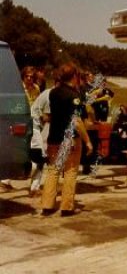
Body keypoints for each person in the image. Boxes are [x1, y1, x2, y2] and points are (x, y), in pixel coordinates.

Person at [41, 62, 93, 217]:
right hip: (69, 140)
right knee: (70, 172)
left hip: (54, 138)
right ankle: (66, 206)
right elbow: (77, 121)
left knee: (53, 171)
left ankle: (47, 205)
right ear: (75, 76)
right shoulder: (74, 96)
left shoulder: (53, 93)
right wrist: (88, 141)